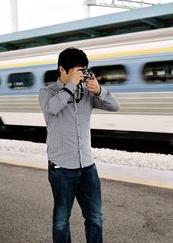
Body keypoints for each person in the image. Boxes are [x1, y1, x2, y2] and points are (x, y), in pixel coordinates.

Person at [39, 47, 120, 243]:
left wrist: (99, 90)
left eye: (82, 71)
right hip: (61, 168)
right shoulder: (47, 92)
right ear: (62, 70)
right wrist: (70, 86)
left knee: (95, 218)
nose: (80, 76)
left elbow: (114, 106)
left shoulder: (86, 93)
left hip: (87, 167)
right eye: (76, 71)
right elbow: (53, 109)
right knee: (61, 221)